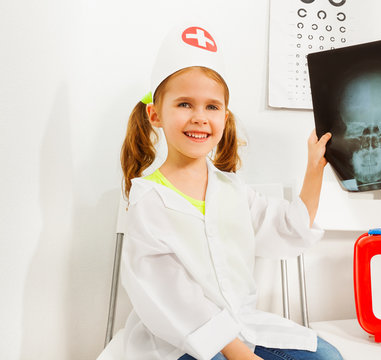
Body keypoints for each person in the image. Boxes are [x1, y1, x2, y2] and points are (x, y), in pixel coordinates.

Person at [119, 23, 342, 360]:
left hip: (243, 327)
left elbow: (287, 228)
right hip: (178, 341)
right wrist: (240, 355)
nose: (199, 118)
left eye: (212, 106)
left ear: (225, 116)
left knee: (327, 357)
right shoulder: (148, 201)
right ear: (155, 115)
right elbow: (171, 298)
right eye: (184, 104)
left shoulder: (232, 189)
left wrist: (314, 168)